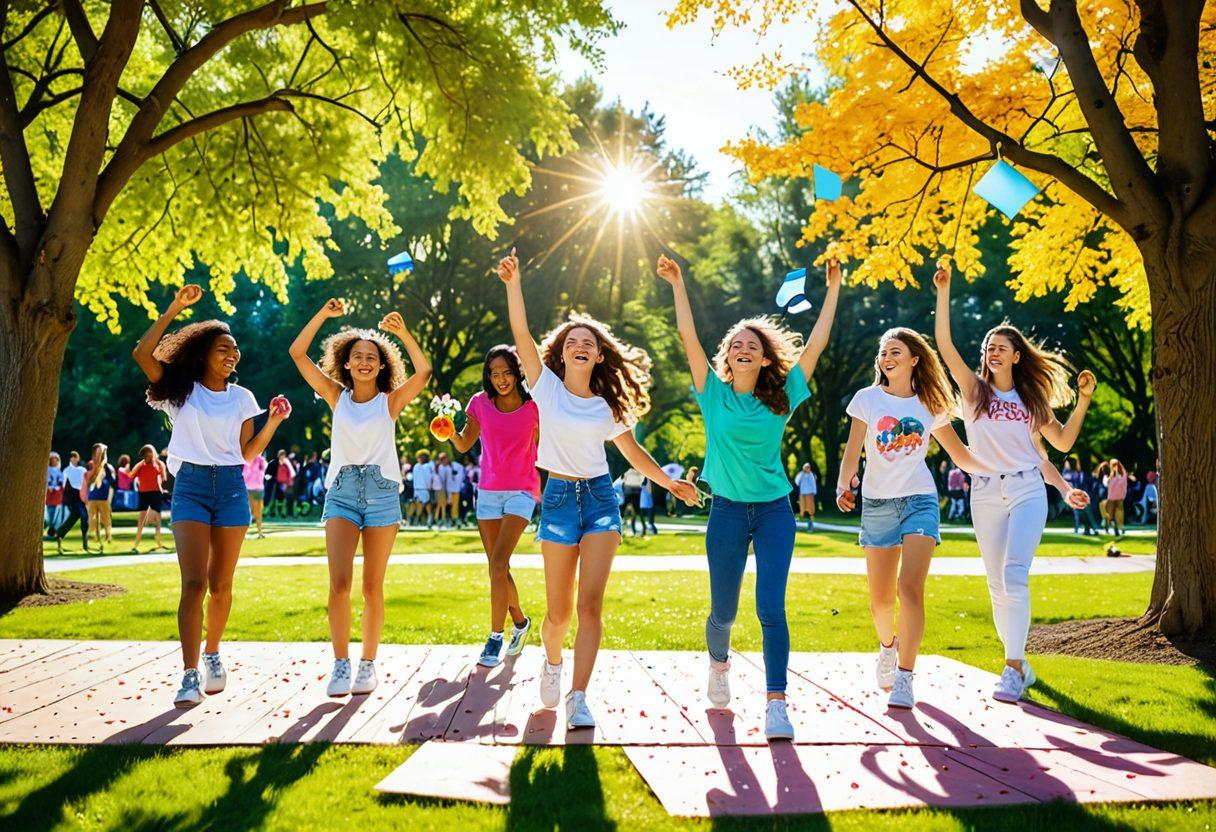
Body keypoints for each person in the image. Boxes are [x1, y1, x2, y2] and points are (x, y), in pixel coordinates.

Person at [497, 249, 696, 731]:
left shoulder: (608, 406)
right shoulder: (545, 387)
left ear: (599, 354)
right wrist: (513, 284)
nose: (580, 346)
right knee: (559, 615)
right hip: (559, 501)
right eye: (573, 342)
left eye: (589, 342)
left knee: (590, 607)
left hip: (602, 502)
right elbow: (522, 336)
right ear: (562, 353)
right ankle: (552, 661)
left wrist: (670, 483)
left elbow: (632, 453)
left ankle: (579, 696)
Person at [656, 251, 841, 741]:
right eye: (736, 344)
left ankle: (777, 703)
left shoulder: (782, 395)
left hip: (775, 511)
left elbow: (816, 344)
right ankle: (719, 665)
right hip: (728, 512)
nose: (742, 349)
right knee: (724, 612)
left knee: (771, 609)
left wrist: (833, 289)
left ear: (763, 359)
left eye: (751, 346)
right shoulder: (712, 393)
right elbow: (688, 337)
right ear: (728, 356)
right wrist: (678, 283)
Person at [934, 260, 1093, 704]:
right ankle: (1020, 664)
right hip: (985, 492)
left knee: (1014, 574)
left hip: (1026, 490)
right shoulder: (973, 392)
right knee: (996, 584)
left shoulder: (1030, 400)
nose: (993, 351)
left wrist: (1082, 401)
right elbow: (945, 345)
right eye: (989, 346)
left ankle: (1011, 667)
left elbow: (1055, 447)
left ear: (1017, 356)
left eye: (1002, 347)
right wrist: (944, 291)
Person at [133, 283, 291, 707]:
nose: (232, 354)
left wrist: (274, 421)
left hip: (232, 489)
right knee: (194, 583)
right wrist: (174, 308)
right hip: (191, 487)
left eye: (235, 349)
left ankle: (213, 653)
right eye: (223, 348)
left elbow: (246, 453)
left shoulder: (242, 398)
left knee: (221, 584)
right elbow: (143, 354)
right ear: (204, 353)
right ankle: (189, 675)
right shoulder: (181, 392)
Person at [836, 328, 983, 709]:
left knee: (910, 589)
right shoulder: (867, 400)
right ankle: (888, 646)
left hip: (920, 499)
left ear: (915, 359)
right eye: (883, 352)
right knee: (881, 603)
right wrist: (842, 486)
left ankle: (905, 675)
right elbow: (852, 453)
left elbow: (961, 456)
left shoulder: (931, 404)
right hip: (878, 504)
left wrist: (1000, 464)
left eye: (895, 352)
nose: (887, 358)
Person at [290, 298, 430, 698]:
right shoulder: (336, 396)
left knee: (372, 587)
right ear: (347, 364)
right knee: (339, 584)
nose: (365, 362)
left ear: (382, 364)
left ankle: (368, 664)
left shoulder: (390, 401)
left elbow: (424, 372)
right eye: (357, 356)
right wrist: (323, 315)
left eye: (372, 357)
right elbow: (297, 353)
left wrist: (403, 334)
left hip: (383, 495)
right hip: (343, 493)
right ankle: (341, 664)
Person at [448, 344, 541, 668]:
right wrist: (448, 430)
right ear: (488, 376)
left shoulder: (535, 408)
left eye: (507, 373)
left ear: (517, 374)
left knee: (498, 563)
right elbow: (463, 443)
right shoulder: (480, 403)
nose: (501, 379)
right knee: (498, 568)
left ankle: (495, 636)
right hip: (488, 492)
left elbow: (545, 450)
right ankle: (520, 622)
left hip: (522, 492)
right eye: (495, 373)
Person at [131, 444, 168, 550]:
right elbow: (131, 476)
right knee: (142, 520)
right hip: (143, 494)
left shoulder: (159, 464)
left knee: (157, 519)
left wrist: (162, 488)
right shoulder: (140, 465)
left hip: (155, 493)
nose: (147, 458)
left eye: (148, 455)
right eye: (145, 456)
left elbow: (164, 479)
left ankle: (158, 542)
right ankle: (135, 545)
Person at [53, 451, 89, 552]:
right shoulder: (66, 470)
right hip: (72, 497)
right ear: (70, 459)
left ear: (78, 458)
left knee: (72, 519)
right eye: (72, 457)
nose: (73, 459)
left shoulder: (82, 470)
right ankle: (85, 541)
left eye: (75, 457)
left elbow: (85, 483)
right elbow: (63, 485)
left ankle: (59, 534)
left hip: (80, 496)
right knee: (84, 516)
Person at [85, 443, 117, 551]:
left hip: (104, 497)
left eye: (101, 452)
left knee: (106, 519)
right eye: (98, 452)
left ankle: (108, 535)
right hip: (92, 497)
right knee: (93, 520)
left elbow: (112, 482)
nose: (99, 454)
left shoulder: (108, 467)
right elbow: (86, 480)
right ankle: (96, 538)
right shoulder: (90, 465)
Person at [436, 452, 465, 529]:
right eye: (441, 460)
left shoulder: (457, 465)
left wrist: (458, 485)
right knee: (445, 506)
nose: (443, 461)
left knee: (455, 506)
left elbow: (461, 476)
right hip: (446, 491)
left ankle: (455, 520)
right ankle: (445, 520)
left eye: (444, 459)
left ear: (448, 458)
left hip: (455, 490)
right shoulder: (441, 467)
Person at [243, 453, 268, 538]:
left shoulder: (253, 460)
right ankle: (259, 533)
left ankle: (258, 533)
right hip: (254, 489)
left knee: (254, 512)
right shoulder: (260, 460)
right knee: (255, 512)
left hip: (253, 488)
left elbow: (244, 475)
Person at [1103, 458, 1128, 536]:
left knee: (1116, 513)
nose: (1115, 467)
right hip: (1113, 497)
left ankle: (1116, 528)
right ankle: (1109, 526)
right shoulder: (1111, 475)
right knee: (1112, 514)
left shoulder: (1120, 475)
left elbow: (1123, 483)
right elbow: (1106, 484)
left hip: (1117, 497)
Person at [411, 451, 435, 528]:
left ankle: (429, 520)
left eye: (421, 457)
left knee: (427, 505)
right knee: (419, 505)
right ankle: (417, 521)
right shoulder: (416, 466)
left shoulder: (427, 466)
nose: (419, 459)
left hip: (424, 489)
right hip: (417, 489)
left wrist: (429, 487)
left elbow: (429, 478)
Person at [45, 453, 65, 538]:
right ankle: (50, 528)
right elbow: (47, 479)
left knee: (55, 514)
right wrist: (49, 486)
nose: (54, 461)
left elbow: (61, 481)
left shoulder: (59, 471)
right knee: (49, 512)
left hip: (56, 494)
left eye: (56, 460)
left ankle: (53, 530)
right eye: (52, 460)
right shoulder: (47, 470)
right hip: (49, 493)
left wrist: (58, 487)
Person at [794, 463, 818, 532]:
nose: (807, 469)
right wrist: (801, 474)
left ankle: (810, 527)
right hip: (802, 494)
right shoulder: (801, 475)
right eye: (806, 467)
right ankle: (797, 527)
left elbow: (813, 484)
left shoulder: (811, 475)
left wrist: (814, 492)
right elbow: (797, 482)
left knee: (810, 511)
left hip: (810, 494)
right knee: (802, 511)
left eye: (808, 467)